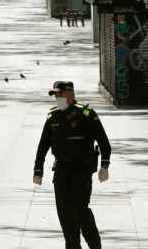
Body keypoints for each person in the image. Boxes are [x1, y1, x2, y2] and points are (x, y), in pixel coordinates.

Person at [33, 81, 111, 249]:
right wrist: (38, 170)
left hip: (81, 170)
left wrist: (104, 166)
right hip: (61, 171)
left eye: (59, 94)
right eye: (55, 95)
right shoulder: (53, 116)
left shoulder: (87, 114)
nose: (57, 97)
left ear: (70, 94)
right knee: (64, 214)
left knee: (80, 211)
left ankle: (95, 246)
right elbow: (43, 146)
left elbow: (104, 143)